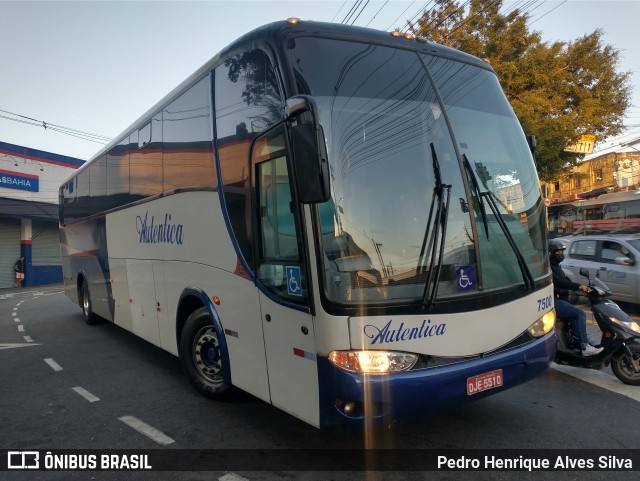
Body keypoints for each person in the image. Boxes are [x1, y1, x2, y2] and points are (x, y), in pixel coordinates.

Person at [548, 240, 603, 356]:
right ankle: (584, 347)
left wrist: (582, 289)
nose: (561, 254)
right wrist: (578, 287)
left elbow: (564, 281)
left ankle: (578, 342)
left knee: (573, 317)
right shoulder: (547, 267)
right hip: (553, 301)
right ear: (550, 253)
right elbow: (558, 282)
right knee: (580, 314)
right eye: (558, 252)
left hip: (560, 299)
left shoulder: (556, 265)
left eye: (562, 251)